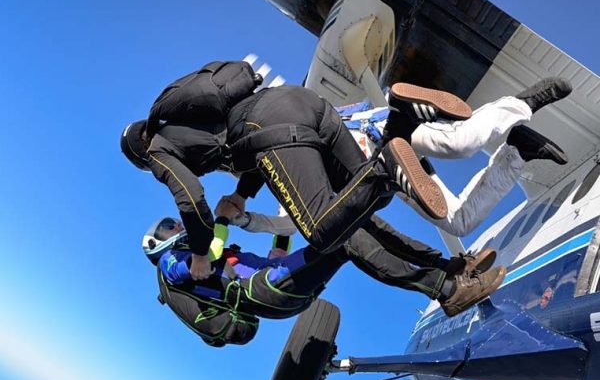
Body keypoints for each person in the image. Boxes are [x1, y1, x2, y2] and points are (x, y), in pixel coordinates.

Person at [122, 73, 473, 280]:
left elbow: (191, 198)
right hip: (305, 103)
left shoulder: (158, 151)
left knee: (322, 232)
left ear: (141, 156)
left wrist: (200, 254)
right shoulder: (191, 121)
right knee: (366, 197)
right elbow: (244, 147)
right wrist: (242, 194)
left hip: (274, 128)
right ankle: (402, 117)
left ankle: (386, 167)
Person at [144, 202, 506, 348]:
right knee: (347, 238)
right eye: (168, 226)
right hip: (263, 292)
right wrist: (220, 221)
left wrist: (282, 218)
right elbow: (200, 265)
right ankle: (449, 290)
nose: (177, 225)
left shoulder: (226, 257)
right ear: (158, 243)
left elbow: (278, 259)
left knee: (351, 228)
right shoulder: (170, 263)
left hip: (274, 285)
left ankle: (450, 271)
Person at [342, 77, 572, 236]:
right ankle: (519, 151)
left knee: (458, 143)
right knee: (459, 222)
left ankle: (524, 103)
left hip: (372, 132)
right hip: (386, 171)